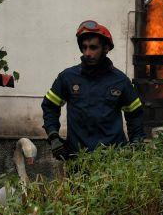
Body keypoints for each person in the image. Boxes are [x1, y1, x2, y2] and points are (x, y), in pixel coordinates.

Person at [41, 20, 144, 159]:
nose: (88, 53)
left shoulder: (121, 81)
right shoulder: (67, 78)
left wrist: (136, 144)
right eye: (84, 47)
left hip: (114, 160)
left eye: (93, 47)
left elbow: (135, 114)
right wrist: (53, 136)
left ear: (106, 48)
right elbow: (50, 106)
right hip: (77, 158)